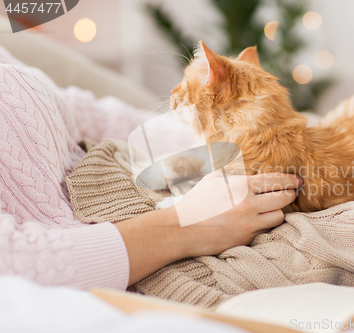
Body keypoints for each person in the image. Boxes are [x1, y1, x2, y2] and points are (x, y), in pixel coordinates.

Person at [0, 47, 302, 290]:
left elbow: (82, 113)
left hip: (159, 190)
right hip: (140, 244)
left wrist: (240, 141)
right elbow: (17, 261)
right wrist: (190, 226)